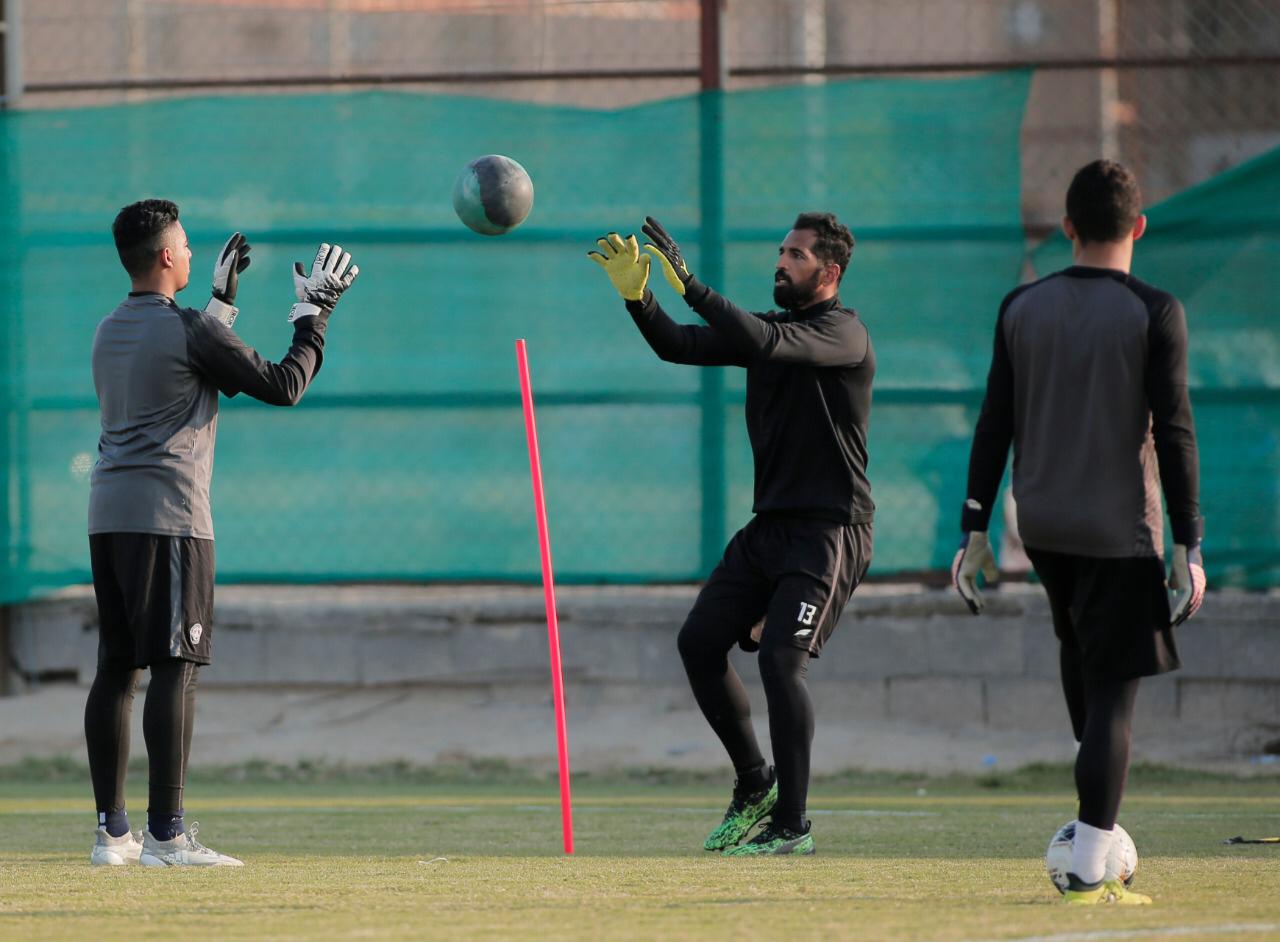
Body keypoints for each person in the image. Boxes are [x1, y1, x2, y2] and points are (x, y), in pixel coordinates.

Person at [952, 159, 1205, 904]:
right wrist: (1188, 543)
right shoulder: (1154, 311)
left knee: (1084, 672)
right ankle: (1091, 866)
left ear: (1067, 228)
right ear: (1139, 227)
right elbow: (1178, 431)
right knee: (1114, 698)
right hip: (1116, 529)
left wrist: (972, 528)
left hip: (1045, 527)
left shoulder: (1020, 307)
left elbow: (993, 421)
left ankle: (1095, 824)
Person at [589, 213, 874, 856]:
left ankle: (793, 823)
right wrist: (640, 297)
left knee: (779, 661)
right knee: (698, 642)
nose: (781, 261)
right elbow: (678, 346)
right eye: (780, 249)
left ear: (828, 273)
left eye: (795, 254)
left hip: (829, 532)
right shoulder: (768, 331)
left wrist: (691, 285)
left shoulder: (844, 333)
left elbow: (767, 346)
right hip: (771, 527)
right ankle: (754, 784)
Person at [86, 199, 359, 867]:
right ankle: (167, 835)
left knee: (118, 670)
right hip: (170, 518)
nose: (189, 249)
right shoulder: (188, 329)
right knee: (177, 665)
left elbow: (179, 370)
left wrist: (219, 303)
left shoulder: (109, 328)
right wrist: (315, 312)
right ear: (168, 256)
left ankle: (113, 833)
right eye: (183, 242)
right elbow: (282, 384)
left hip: (109, 513)